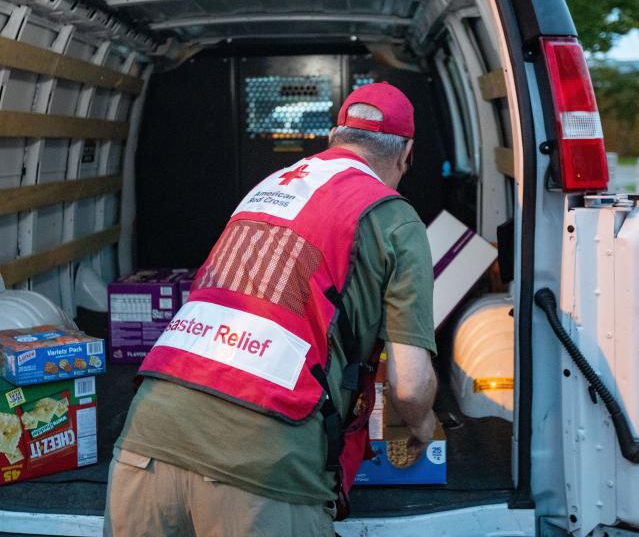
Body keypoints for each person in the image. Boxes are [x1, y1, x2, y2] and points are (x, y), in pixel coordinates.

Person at [104, 82, 439, 537]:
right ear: (406, 154)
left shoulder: (269, 188)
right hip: (262, 465)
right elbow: (411, 386)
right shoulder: (395, 218)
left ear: (335, 138)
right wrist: (424, 426)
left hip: (146, 438)